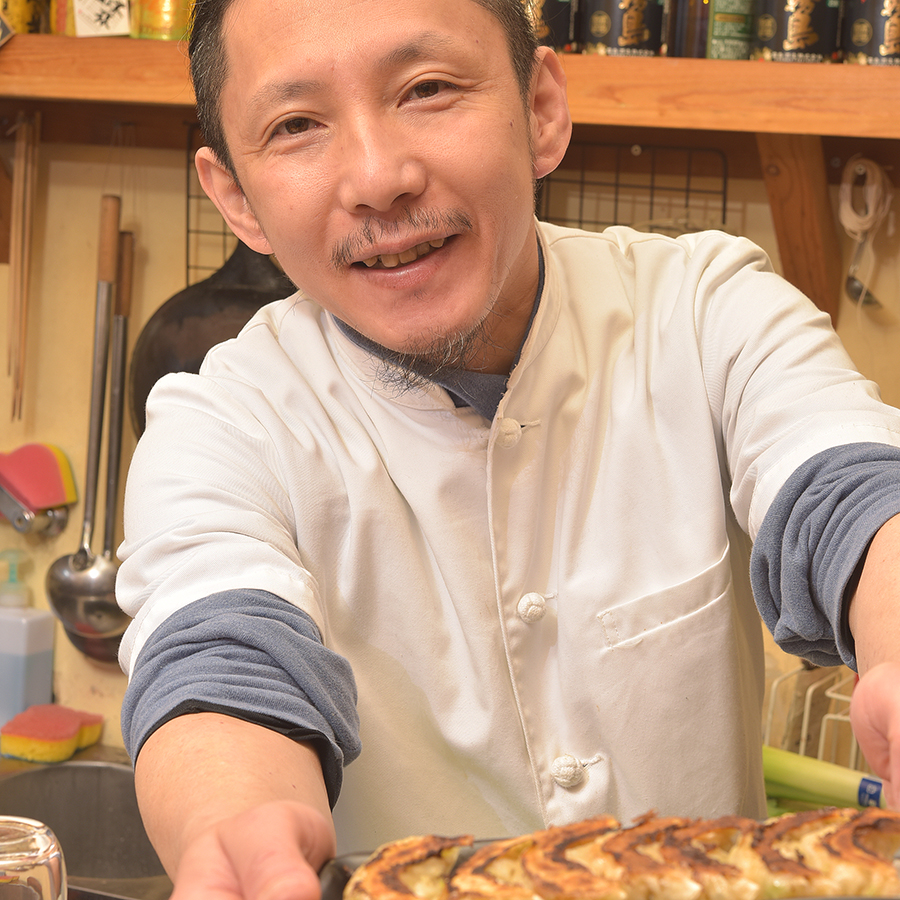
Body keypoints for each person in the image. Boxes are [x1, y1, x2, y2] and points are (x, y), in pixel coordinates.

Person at [114, 0, 900, 897]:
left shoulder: (708, 308)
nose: (378, 176)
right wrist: (238, 826)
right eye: (296, 125)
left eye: (428, 89)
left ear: (540, 110)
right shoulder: (221, 422)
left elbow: (848, 494)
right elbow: (221, 659)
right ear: (235, 198)